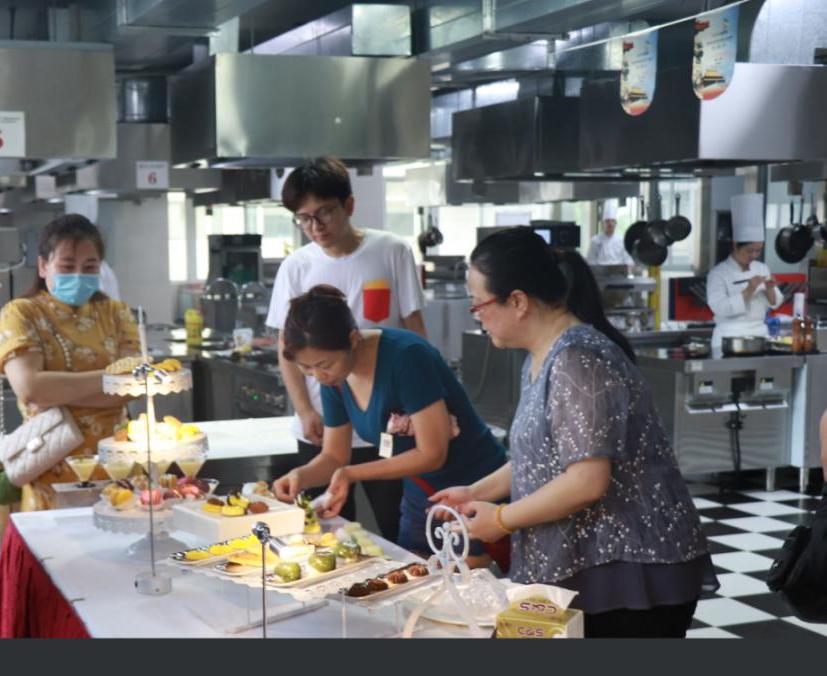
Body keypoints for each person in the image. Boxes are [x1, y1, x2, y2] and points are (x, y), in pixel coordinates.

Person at [433, 227, 718, 638]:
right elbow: (542, 458)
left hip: (626, 571)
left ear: (517, 301)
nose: (476, 315)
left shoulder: (577, 360)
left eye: (478, 304)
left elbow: (586, 481)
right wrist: (475, 493)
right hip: (575, 561)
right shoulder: (540, 357)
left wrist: (502, 519)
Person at [271, 286, 507, 561]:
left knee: (459, 583)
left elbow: (433, 454)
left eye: (323, 364)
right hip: (420, 495)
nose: (318, 376)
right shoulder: (336, 378)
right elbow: (334, 456)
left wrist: (351, 473)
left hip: (475, 487)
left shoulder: (406, 357)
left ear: (353, 339)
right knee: (413, 577)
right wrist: (301, 476)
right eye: (306, 368)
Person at [266, 156, 426, 543]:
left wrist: (418, 408)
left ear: (348, 205)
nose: (315, 227)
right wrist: (304, 409)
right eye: (304, 219)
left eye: (324, 213)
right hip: (322, 425)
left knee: (400, 529)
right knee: (325, 534)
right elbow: (286, 349)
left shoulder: (391, 250)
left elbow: (415, 330)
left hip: (387, 422)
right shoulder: (296, 266)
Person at [0, 213, 140, 512]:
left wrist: (57, 389)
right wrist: (111, 379)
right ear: (43, 266)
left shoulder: (116, 312)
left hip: (118, 466)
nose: (78, 275)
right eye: (67, 266)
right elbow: (31, 389)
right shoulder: (21, 313)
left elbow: (134, 386)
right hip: (51, 463)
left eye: (90, 267)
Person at [706, 193, 782, 359]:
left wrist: (770, 289)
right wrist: (749, 290)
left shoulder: (762, 268)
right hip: (728, 339)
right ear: (736, 246)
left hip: (759, 338)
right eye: (749, 251)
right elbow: (719, 308)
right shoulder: (718, 273)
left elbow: (775, 303)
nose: (754, 255)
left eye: (758, 250)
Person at [584, 199, 633, 268]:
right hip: (600, 273)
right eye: (607, 221)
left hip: (618, 273)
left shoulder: (622, 241)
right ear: (603, 223)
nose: (610, 223)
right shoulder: (595, 240)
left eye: (612, 221)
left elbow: (628, 260)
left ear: (615, 223)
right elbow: (591, 261)